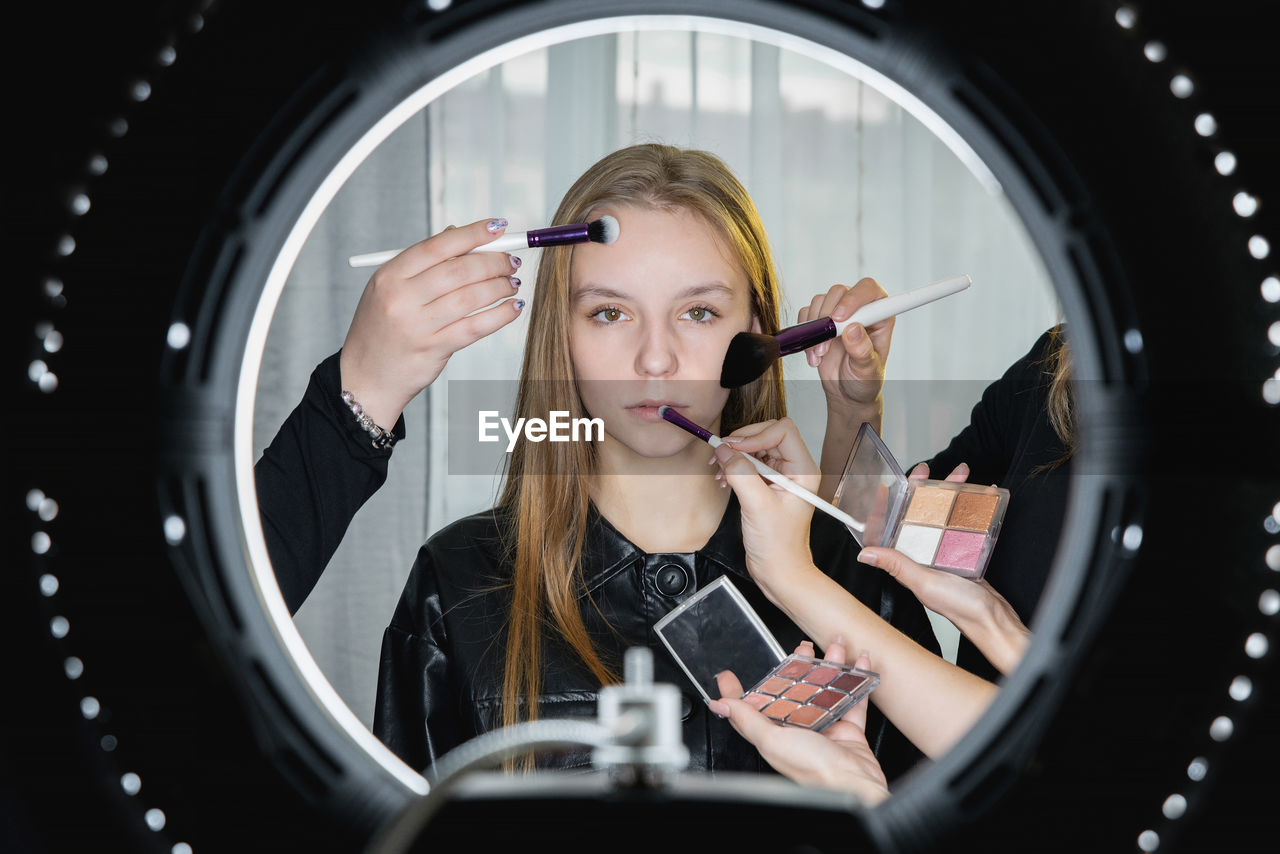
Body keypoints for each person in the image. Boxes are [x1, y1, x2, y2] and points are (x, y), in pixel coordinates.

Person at [259, 143, 940, 778]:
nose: (654, 359)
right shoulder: (456, 584)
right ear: (563, 333)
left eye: (699, 312)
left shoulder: (853, 588)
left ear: (760, 331)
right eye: (610, 313)